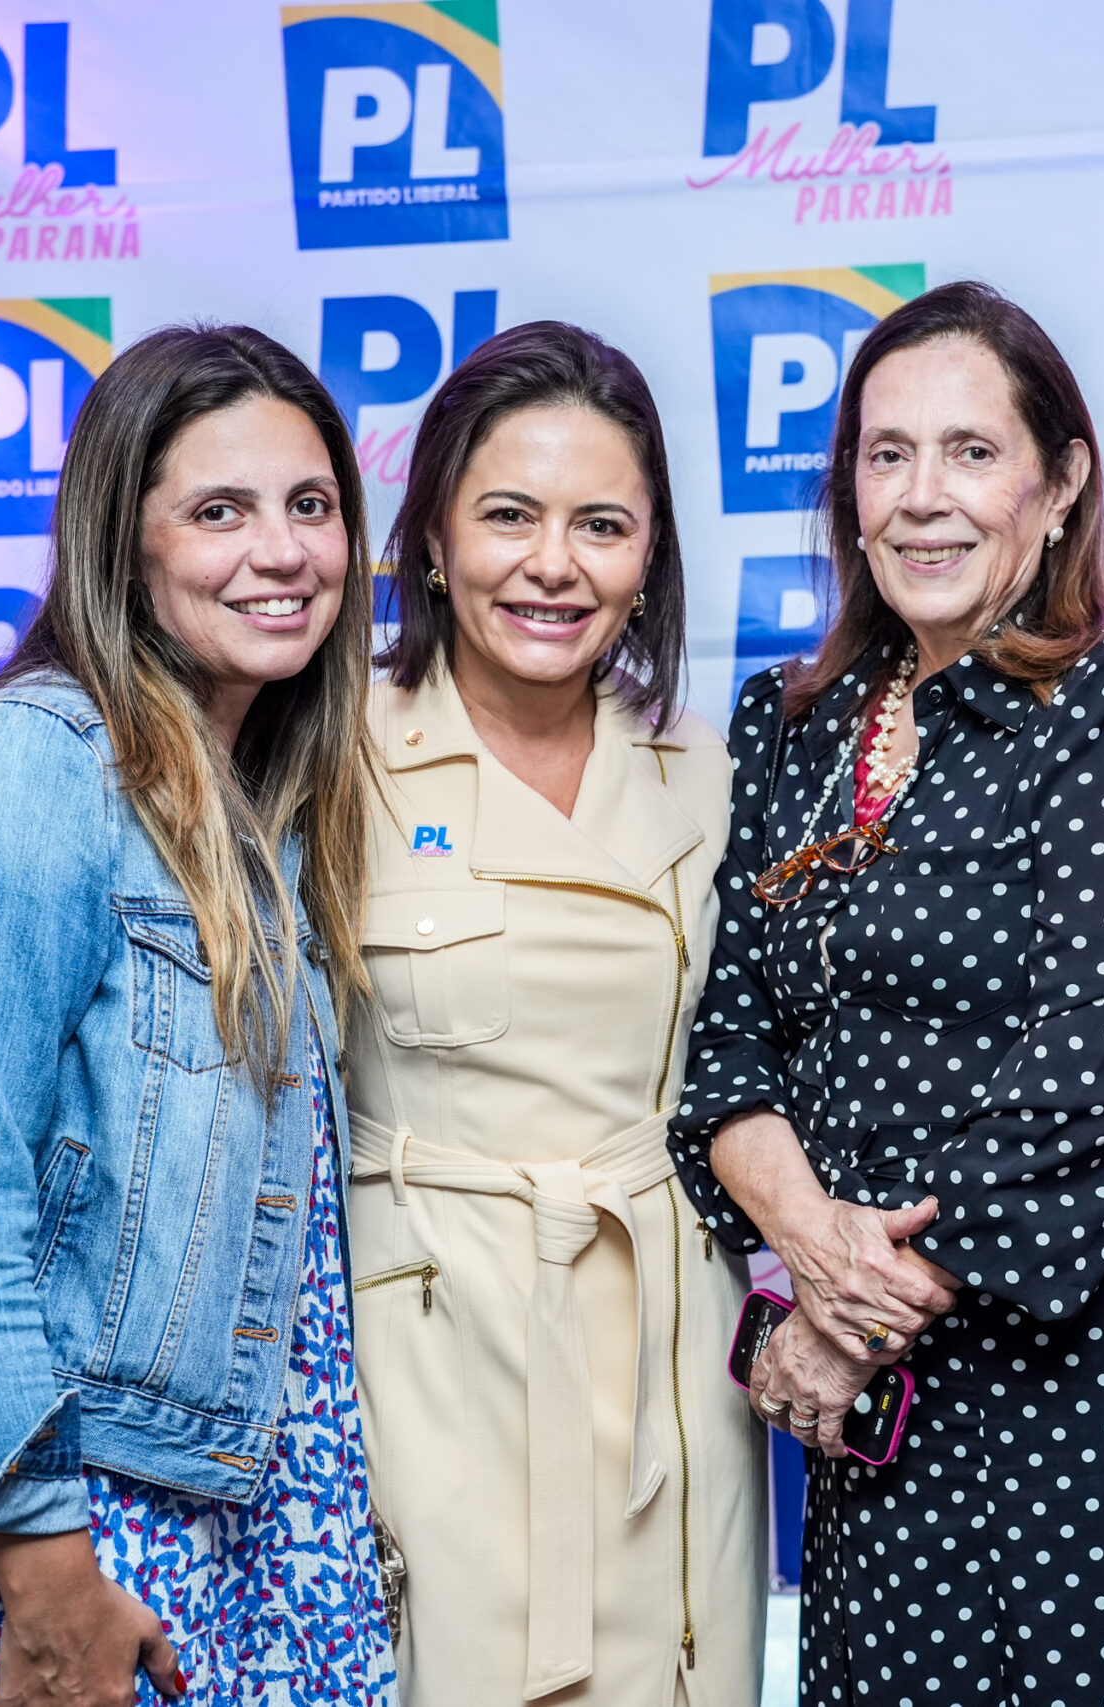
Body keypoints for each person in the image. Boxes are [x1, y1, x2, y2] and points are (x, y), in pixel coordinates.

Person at [672, 280, 1104, 1707]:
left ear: (1059, 487)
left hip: (1077, 1401)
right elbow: (728, 1045)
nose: (922, 497)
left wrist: (856, 1314)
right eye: (887, 455)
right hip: (873, 1419)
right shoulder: (790, 726)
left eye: (972, 452)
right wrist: (814, 1247)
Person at [0, 326, 392, 1706]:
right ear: (121, 545)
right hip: (72, 1538)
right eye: (219, 511)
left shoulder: (264, 808)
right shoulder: (25, 770)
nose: (283, 551)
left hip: (246, 1525)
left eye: (311, 505)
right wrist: (51, 1582)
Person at [342, 320, 765, 1706]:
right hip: (428, 1337)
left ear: (649, 559)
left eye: (602, 526)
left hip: (665, 1332)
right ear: (434, 536)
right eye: (509, 516)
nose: (553, 565)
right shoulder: (333, 753)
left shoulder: (706, 765)